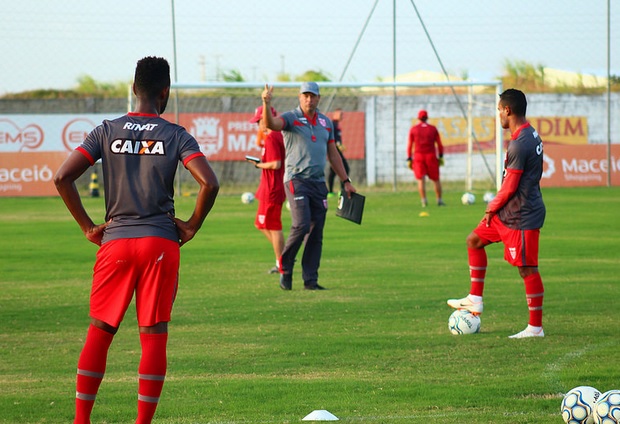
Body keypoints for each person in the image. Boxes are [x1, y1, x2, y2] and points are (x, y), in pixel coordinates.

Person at [54, 56, 220, 423]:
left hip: (115, 241)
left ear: (134, 90)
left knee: (100, 331)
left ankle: (82, 420)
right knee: (153, 334)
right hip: (159, 242)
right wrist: (191, 225)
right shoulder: (176, 134)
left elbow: (62, 177)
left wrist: (87, 227)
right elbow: (209, 182)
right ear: (166, 92)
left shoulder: (106, 131)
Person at [447, 88, 546, 339]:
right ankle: (475, 299)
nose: (498, 115)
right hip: (508, 213)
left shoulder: (520, 143)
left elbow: (510, 186)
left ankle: (535, 329)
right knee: (474, 240)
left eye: (499, 110)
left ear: (508, 110)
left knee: (527, 269)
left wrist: (490, 208)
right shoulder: (530, 134)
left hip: (522, 216)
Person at [261, 82, 356, 290]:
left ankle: (310, 280)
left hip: (318, 183)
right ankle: (285, 266)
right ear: (299, 97)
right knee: (301, 224)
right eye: (305, 95)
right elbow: (271, 124)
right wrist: (266, 104)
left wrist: (345, 181)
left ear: (318, 98)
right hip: (296, 180)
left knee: (316, 231)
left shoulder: (325, 122)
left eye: (312, 96)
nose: (309, 99)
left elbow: (333, 154)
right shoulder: (290, 118)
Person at [247, 105, 286, 274]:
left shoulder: (273, 138)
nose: (258, 125)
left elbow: (276, 164)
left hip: (272, 189)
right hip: (268, 187)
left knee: (273, 226)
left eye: (259, 121)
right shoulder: (273, 136)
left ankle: (283, 262)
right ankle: (284, 256)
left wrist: (258, 165)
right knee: (261, 224)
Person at [406, 109, 445, 207]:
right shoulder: (433, 129)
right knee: (436, 179)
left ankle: (424, 201)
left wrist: (409, 158)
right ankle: (439, 200)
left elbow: (410, 144)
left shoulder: (414, 129)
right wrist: (440, 155)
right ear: (427, 118)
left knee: (420, 179)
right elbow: (439, 144)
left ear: (418, 118)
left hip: (419, 156)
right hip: (431, 156)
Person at [326, 108, 350, 197]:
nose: (342, 116)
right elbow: (332, 139)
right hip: (335, 151)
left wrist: (340, 145)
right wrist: (337, 145)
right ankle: (341, 189)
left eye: (342, 114)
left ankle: (331, 191)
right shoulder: (332, 125)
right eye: (340, 114)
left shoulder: (337, 125)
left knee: (333, 171)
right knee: (345, 168)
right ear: (334, 114)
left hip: (338, 151)